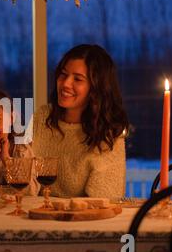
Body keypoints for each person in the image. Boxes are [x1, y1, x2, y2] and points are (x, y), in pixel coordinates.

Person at [32, 44, 129, 198]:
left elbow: (104, 200)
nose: (65, 84)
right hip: (34, 218)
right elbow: (21, 183)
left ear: (96, 88)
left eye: (77, 79)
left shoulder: (107, 134)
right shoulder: (41, 117)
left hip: (80, 221)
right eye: (63, 75)